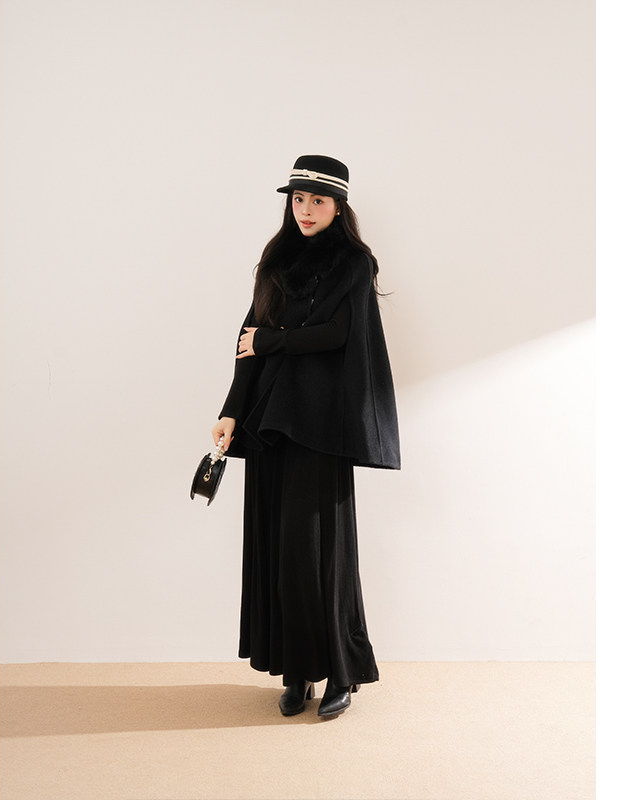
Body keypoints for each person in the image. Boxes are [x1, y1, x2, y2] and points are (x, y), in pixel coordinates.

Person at [211, 154, 400, 718]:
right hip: (269, 422)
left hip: (321, 426)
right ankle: (296, 673)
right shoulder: (276, 260)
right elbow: (248, 339)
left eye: (318, 200)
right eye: (298, 199)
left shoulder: (354, 263)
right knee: (280, 551)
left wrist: (274, 341)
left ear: (339, 207)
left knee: (321, 553)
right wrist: (230, 411)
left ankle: (340, 672)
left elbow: (337, 333)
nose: (306, 210)